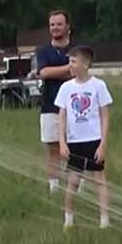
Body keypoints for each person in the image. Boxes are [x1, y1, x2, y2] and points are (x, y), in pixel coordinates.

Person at [56, 45, 112, 229]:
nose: (69, 65)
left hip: (94, 140)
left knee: (99, 180)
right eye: (69, 61)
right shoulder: (66, 88)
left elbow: (104, 115)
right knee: (72, 181)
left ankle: (104, 220)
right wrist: (62, 142)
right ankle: (68, 219)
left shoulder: (98, 85)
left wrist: (103, 144)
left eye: (73, 61)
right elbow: (62, 116)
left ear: (86, 64)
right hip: (74, 142)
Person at [33, 10, 73, 193]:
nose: (55, 28)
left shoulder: (77, 49)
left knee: (77, 148)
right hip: (50, 105)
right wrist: (67, 68)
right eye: (52, 25)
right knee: (53, 149)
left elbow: (79, 72)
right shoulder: (43, 51)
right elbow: (44, 73)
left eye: (59, 24)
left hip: (75, 107)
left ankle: (75, 186)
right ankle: (54, 187)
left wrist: (54, 71)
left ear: (67, 27)